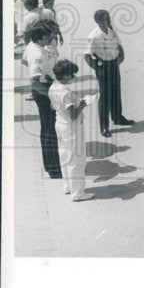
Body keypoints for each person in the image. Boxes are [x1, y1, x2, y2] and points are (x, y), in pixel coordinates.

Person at [85, 9, 135, 137]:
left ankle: (118, 117)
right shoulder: (94, 36)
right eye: (106, 18)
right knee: (105, 97)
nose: (109, 20)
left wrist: (122, 56)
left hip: (114, 64)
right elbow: (87, 56)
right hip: (104, 67)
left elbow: (119, 45)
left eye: (108, 18)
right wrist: (98, 69)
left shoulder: (111, 31)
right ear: (98, 21)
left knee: (116, 92)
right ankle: (104, 126)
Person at [49, 59, 94, 201]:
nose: (74, 77)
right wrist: (84, 103)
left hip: (60, 124)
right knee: (76, 158)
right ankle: (78, 193)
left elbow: (53, 106)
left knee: (64, 155)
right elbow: (73, 115)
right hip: (71, 127)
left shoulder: (53, 87)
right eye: (72, 74)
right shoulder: (66, 93)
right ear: (65, 75)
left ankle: (68, 185)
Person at [23, 21, 62, 177]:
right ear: (39, 38)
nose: (49, 39)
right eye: (47, 37)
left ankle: (50, 165)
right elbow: (35, 81)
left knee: (47, 129)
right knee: (50, 130)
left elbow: (25, 61)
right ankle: (54, 168)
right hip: (45, 93)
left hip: (45, 89)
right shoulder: (38, 54)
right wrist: (51, 95)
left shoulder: (32, 47)